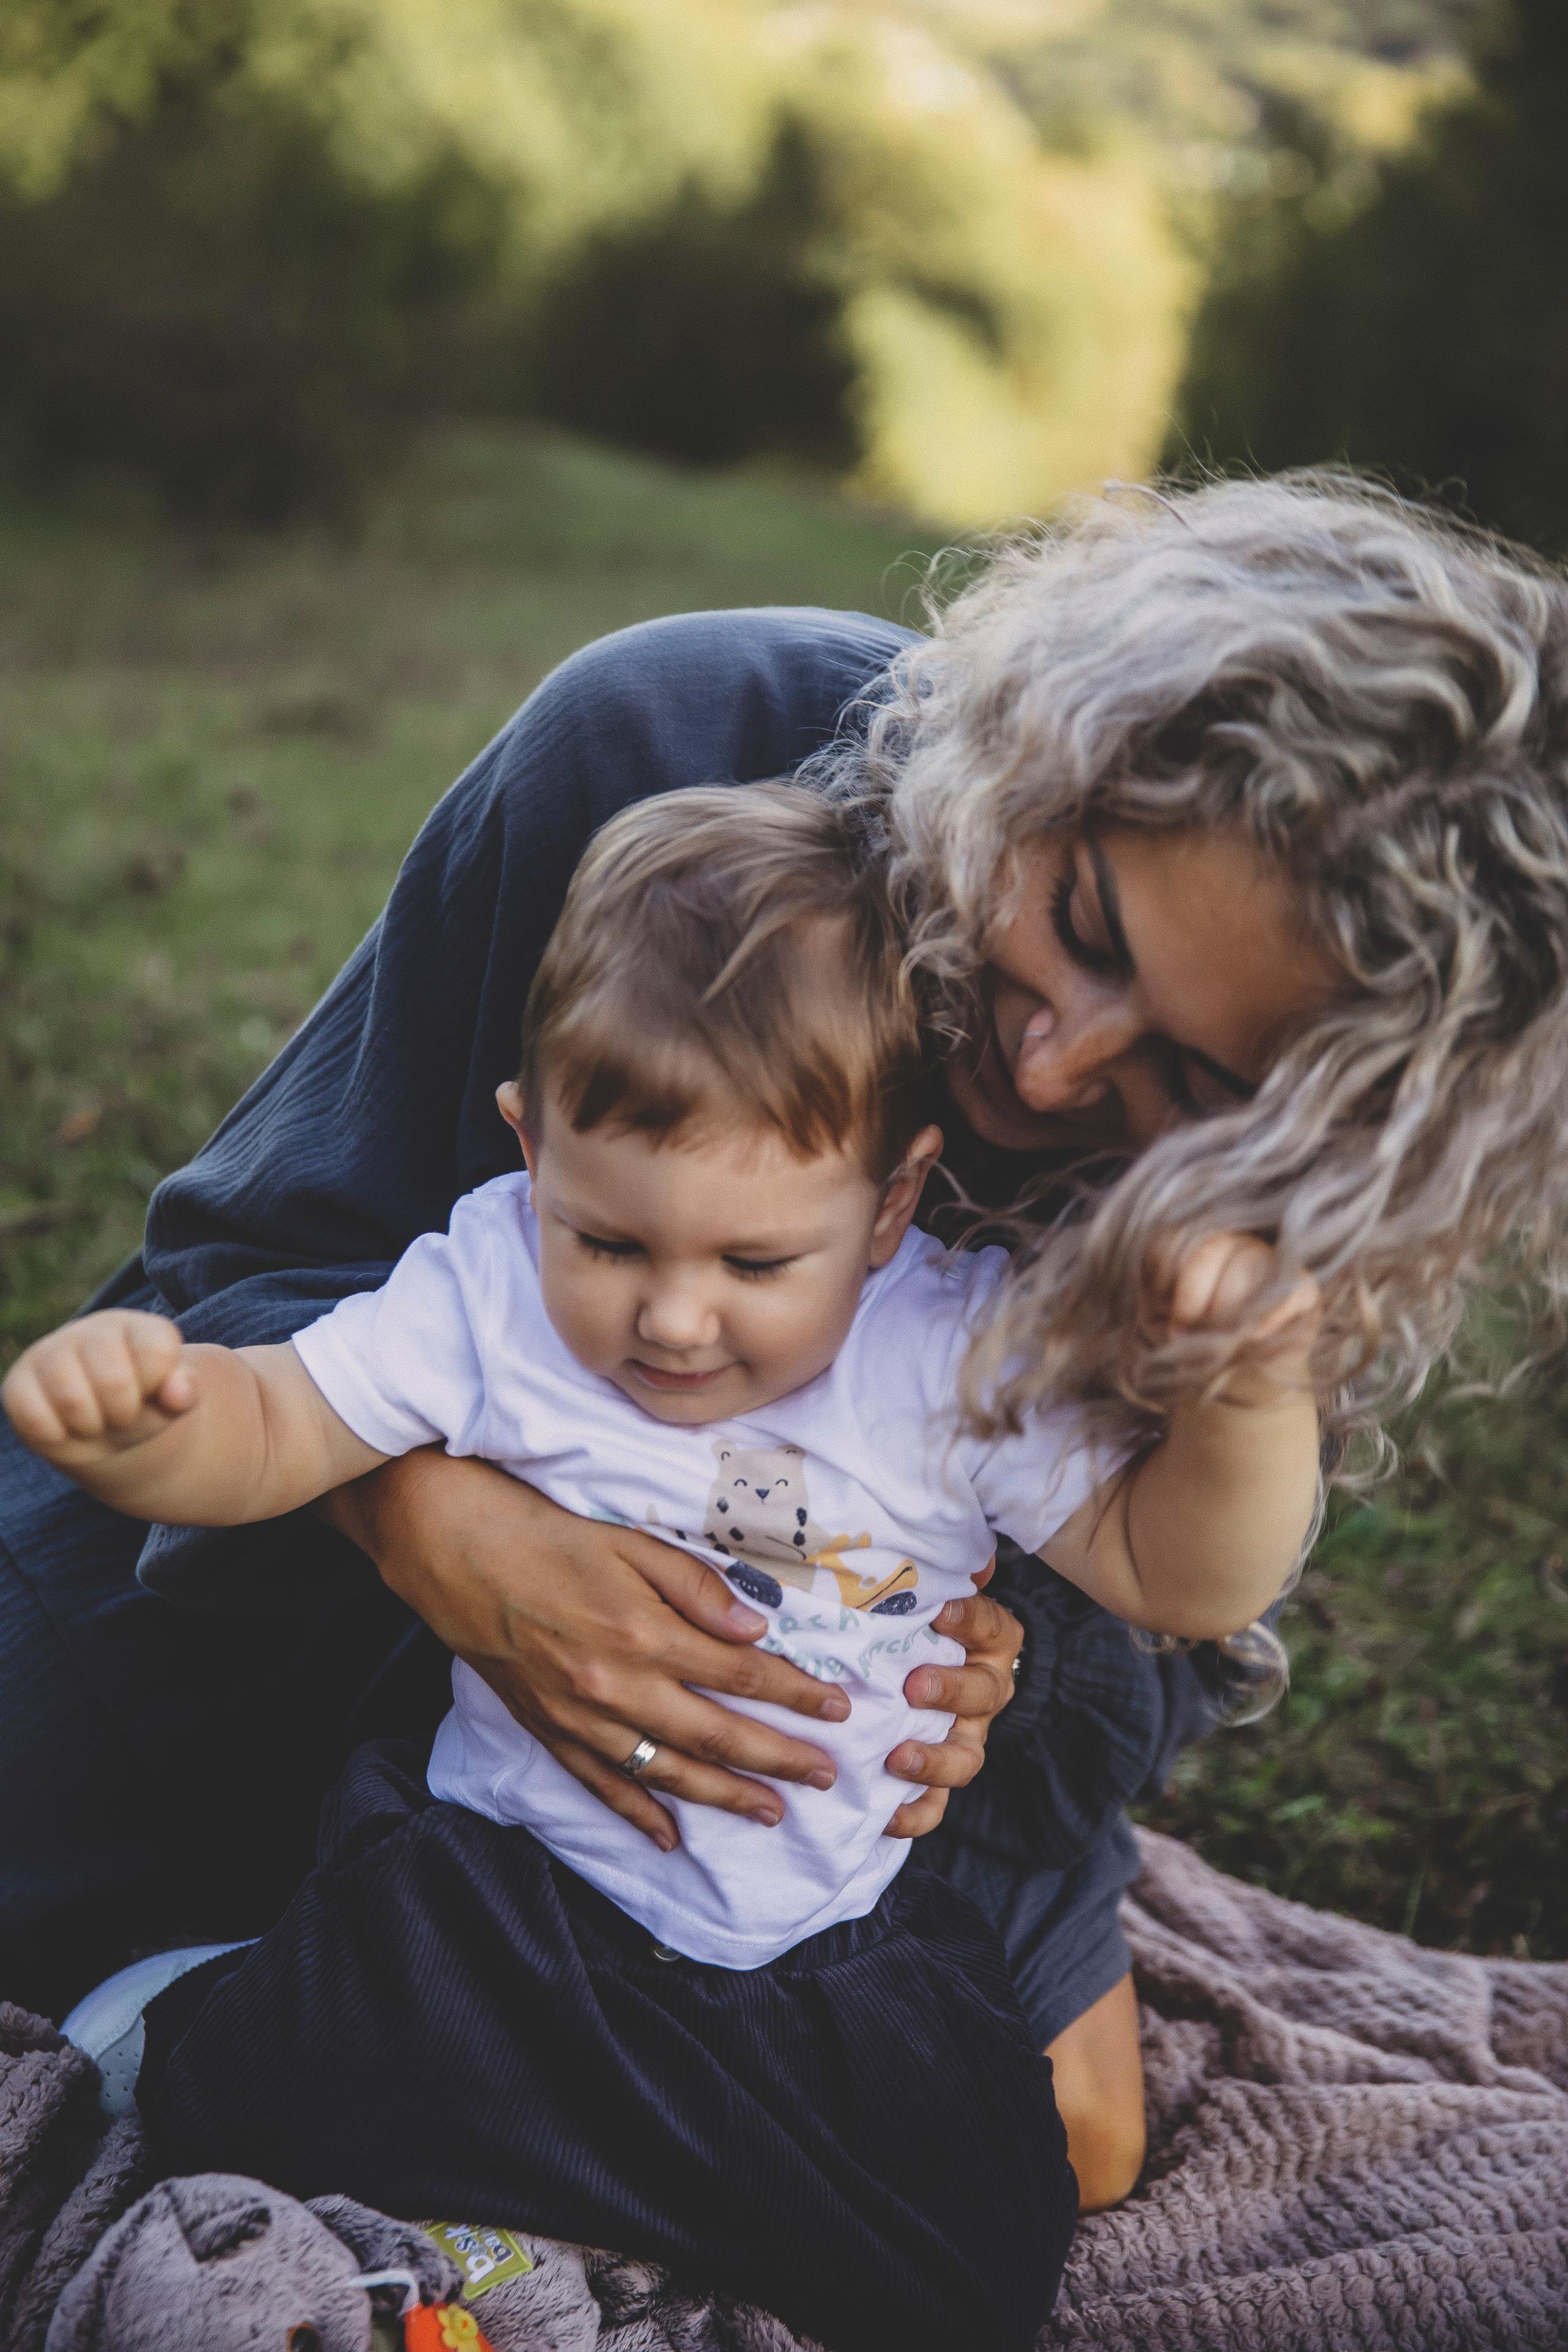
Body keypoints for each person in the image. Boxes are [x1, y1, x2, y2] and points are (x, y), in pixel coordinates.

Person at [7, 470, 1564, 2224]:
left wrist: (998, 1677)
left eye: (1189, 1082)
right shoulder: (668, 753)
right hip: (316, 1555)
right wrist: (434, 1528)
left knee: (1061, 2157)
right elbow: (251, 1257)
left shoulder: (1291, 1196)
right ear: (1050, 754)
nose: (1058, 1073)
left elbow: (1172, 1618)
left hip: (825, 1704)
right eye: (1080, 925)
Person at [5, 785, 1324, 2352]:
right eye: (612, 1242)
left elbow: (1179, 1580)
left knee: (973, 2246)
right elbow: (276, 1428)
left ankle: (592, 2240)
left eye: (756, 1264)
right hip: (506, 1890)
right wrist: (144, 1421)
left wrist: (1249, 1395)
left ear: (894, 1200)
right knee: (317, 2077)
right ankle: (198, 2026)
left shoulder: (950, 1350)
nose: (675, 1320)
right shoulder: (491, 1284)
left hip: (815, 1943)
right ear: (529, 1139)